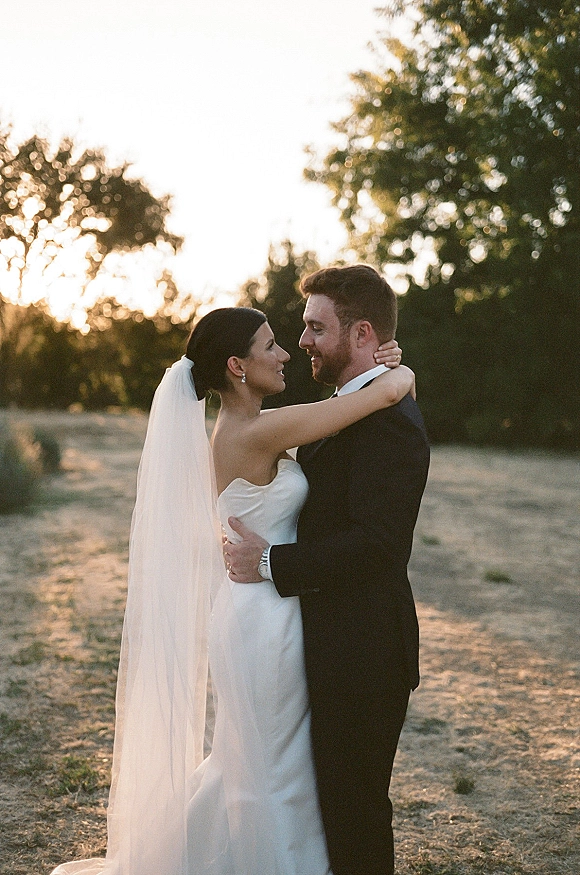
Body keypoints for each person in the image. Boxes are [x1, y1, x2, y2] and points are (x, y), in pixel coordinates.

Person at [49, 305, 414, 875]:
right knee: (270, 766)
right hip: (263, 616)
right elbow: (373, 400)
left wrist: (380, 364)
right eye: (271, 345)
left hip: (261, 606)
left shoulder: (247, 427)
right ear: (237, 366)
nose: (286, 352)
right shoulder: (258, 431)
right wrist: (400, 374)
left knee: (259, 762)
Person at [225, 266, 430, 875]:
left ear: (361, 332)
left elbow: (378, 547)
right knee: (326, 805)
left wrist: (269, 561)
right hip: (317, 637)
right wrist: (396, 372)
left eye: (316, 327)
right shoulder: (342, 406)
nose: (303, 341)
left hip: (364, 649)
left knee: (355, 809)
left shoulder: (391, 424)